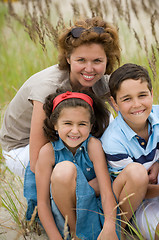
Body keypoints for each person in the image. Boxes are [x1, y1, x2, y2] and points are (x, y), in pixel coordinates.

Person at [0, 16, 121, 177]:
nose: (89, 69)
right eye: (81, 60)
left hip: (67, 132)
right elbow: (37, 162)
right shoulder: (48, 88)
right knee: (76, 168)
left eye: (97, 60)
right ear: (68, 58)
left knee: (111, 125)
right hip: (24, 148)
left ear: (107, 60)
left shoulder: (102, 80)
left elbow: (127, 123)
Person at [35, 88, 120, 240]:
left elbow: (106, 192)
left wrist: (109, 225)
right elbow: (42, 203)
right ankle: (75, 234)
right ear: (55, 124)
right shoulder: (47, 152)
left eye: (82, 124)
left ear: (91, 125)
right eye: (67, 123)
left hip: (91, 209)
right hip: (63, 217)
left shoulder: (93, 146)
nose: (75, 131)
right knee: (64, 170)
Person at [101, 63, 159, 240]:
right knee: (137, 173)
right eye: (127, 99)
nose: (137, 104)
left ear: (151, 93)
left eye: (142, 95)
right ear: (114, 103)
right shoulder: (113, 140)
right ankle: (125, 229)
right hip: (137, 202)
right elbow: (136, 187)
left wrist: (157, 162)